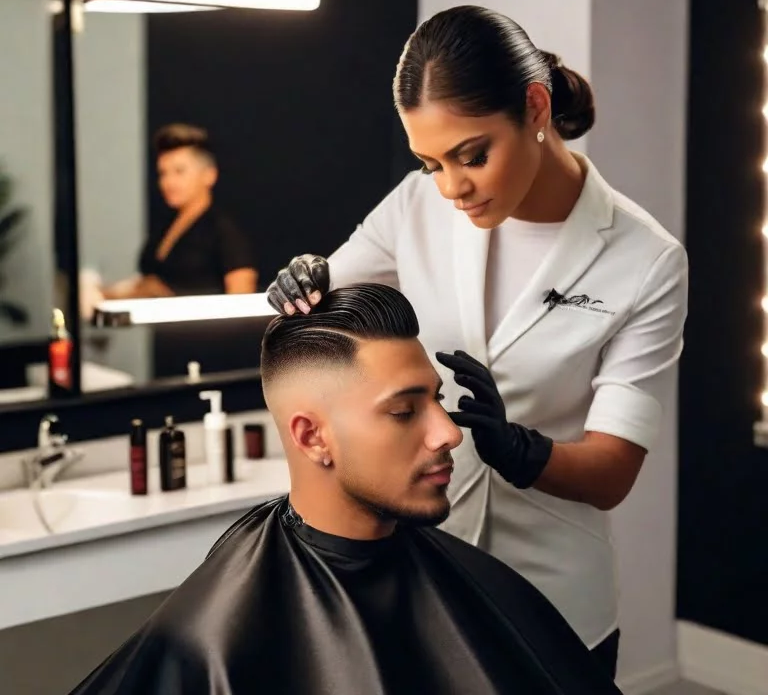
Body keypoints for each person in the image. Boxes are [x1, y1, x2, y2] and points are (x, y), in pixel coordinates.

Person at [267, 5, 690, 678]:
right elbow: (318, 320)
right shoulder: (415, 206)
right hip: (422, 573)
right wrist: (300, 289)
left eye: (473, 155)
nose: (453, 187)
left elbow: (613, 471)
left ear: (534, 107)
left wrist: (519, 451)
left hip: (554, 595)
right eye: (431, 161)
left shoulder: (646, 259)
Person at [69, 283, 622, 695]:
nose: (449, 432)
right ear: (311, 438)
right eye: (405, 411)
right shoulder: (212, 640)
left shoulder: (484, 587)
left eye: (437, 398)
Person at [101, 123, 258, 300]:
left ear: (209, 175)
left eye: (179, 171)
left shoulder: (224, 233)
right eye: (163, 173)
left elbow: (241, 305)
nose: (168, 182)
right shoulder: (163, 227)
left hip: (205, 328)